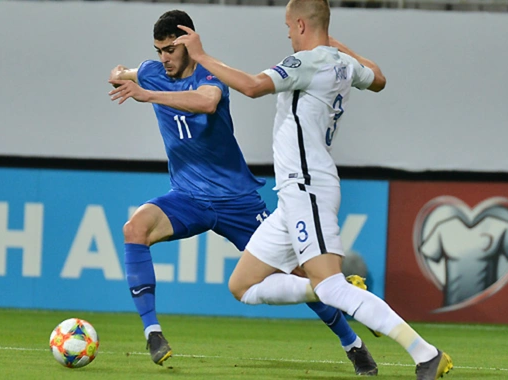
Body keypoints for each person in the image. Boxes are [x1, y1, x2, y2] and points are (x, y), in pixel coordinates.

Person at [173, 1, 454, 379]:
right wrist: (337, 45)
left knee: (332, 288)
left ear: (302, 24)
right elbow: (379, 77)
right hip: (292, 196)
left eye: (288, 26)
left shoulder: (306, 63)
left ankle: (426, 354)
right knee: (243, 285)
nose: (287, 33)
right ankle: (328, 288)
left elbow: (254, 87)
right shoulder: (340, 63)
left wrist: (202, 55)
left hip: (308, 188)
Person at [108, 9, 378, 375]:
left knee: (300, 271)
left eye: (170, 49)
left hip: (236, 200)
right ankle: (153, 333)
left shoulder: (209, 75)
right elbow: (126, 72)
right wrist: (120, 74)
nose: (164, 58)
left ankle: (353, 344)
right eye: (159, 50)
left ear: (188, 42)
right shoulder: (153, 71)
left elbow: (206, 102)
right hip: (187, 197)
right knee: (134, 229)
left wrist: (147, 95)